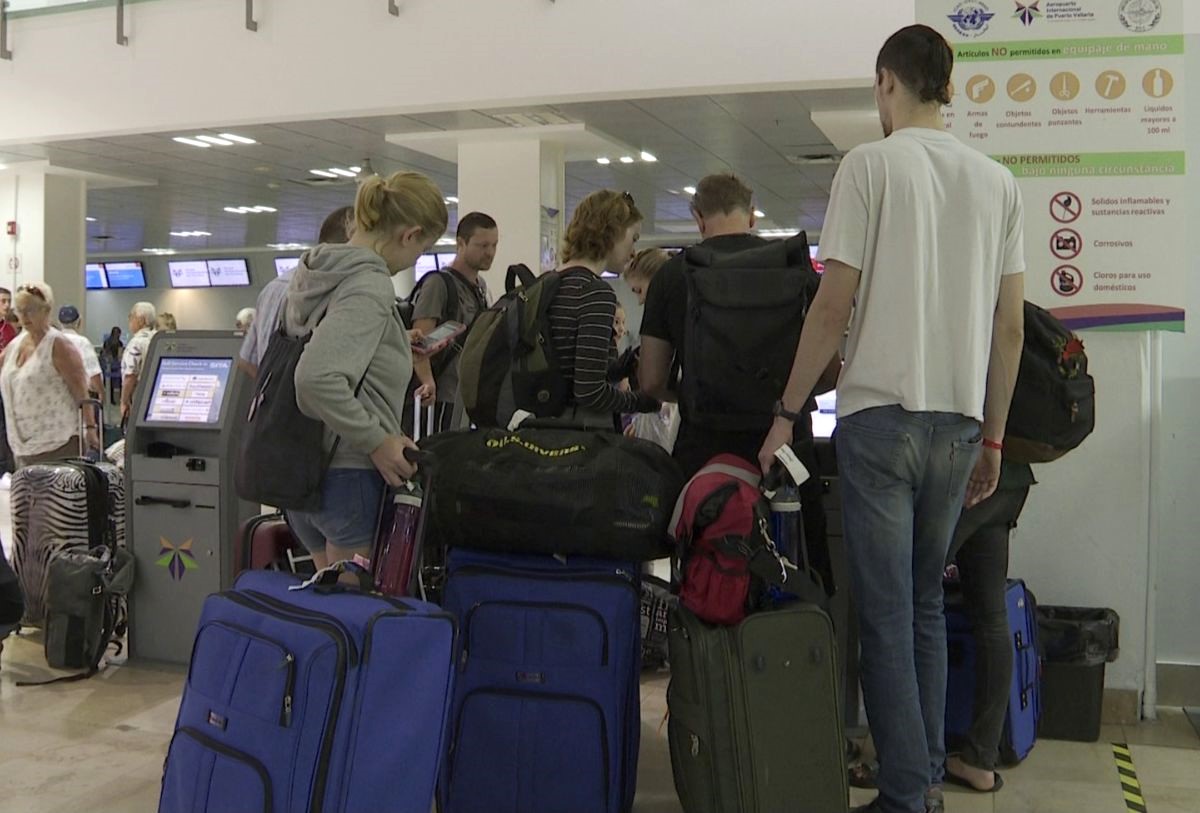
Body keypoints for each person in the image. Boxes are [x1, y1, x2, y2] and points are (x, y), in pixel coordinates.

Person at [756, 25, 1026, 813]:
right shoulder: (996, 180)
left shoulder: (869, 166)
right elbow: (1009, 328)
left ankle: (908, 793)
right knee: (923, 609)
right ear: (948, 88)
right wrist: (996, 437)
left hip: (880, 422)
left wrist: (784, 411)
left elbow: (831, 308)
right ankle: (925, 778)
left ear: (886, 84)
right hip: (959, 425)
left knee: (884, 616)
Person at [285, 171, 447, 571]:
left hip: (305, 469)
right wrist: (378, 439)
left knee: (326, 618)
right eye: (422, 248)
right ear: (409, 235)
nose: (417, 259)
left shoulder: (320, 273)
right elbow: (315, 378)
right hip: (348, 476)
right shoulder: (368, 284)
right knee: (354, 621)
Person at [942, 460, 1035, 793]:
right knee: (991, 619)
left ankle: (906, 763)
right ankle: (979, 760)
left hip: (966, 478)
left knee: (906, 608)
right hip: (1008, 480)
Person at [547, 190, 659, 425]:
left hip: (545, 425)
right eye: (634, 239)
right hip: (577, 435)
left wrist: (620, 368)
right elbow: (589, 392)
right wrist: (642, 402)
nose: (633, 251)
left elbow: (570, 371)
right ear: (613, 232)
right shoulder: (595, 291)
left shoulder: (551, 282)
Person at [239, 205, 354, 377]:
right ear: (353, 239)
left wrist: (275, 392)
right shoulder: (333, 291)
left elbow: (247, 360)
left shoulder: (272, 288)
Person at [409, 211, 498, 431]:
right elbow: (419, 344)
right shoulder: (438, 284)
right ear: (461, 243)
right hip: (442, 397)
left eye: (494, 245)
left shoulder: (481, 288)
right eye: (482, 245)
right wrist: (428, 383)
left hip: (468, 396)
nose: (490, 253)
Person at [0, 283, 98, 468]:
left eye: (31, 310)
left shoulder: (59, 345)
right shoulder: (16, 345)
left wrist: (90, 428)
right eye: (20, 311)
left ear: (46, 310)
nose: (24, 316)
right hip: (21, 446)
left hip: (57, 443)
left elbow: (81, 393)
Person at [121, 302, 158, 424]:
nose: (129, 320)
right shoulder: (158, 339)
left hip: (138, 399)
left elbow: (130, 375)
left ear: (141, 320)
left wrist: (124, 401)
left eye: (131, 317)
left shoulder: (136, 343)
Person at [57, 305, 104, 397]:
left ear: (59, 322)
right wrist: (101, 392)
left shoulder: (53, 340)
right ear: (79, 322)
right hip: (80, 397)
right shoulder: (82, 342)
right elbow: (94, 373)